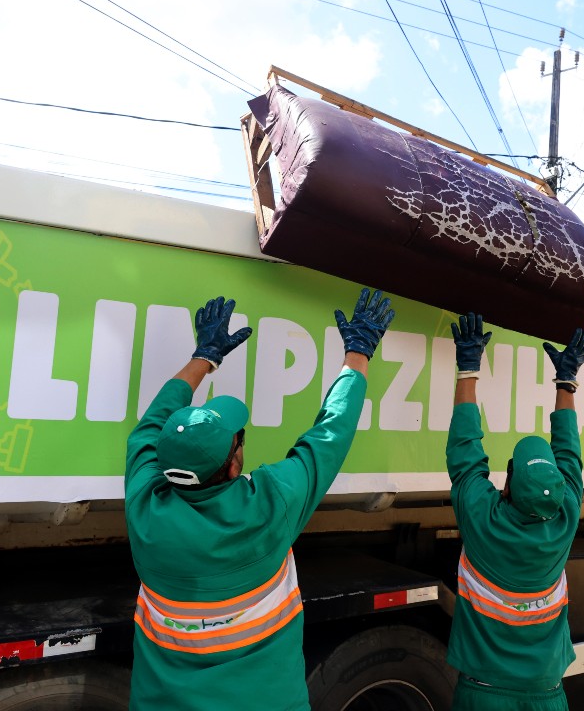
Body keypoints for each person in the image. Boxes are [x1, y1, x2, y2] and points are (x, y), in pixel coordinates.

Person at [124, 289, 395, 711]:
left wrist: (205, 356)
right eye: (239, 441)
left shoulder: (144, 504)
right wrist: (358, 351)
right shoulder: (269, 503)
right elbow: (331, 434)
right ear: (233, 466)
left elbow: (148, 427)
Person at [444, 313, 584, 711]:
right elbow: (570, 456)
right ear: (560, 490)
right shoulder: (565, 520)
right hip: (548, 696)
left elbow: (465, 447)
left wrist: (469, 366)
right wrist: (567, 381)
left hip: (483, 695)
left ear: (506, 485)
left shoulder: (483, 520)